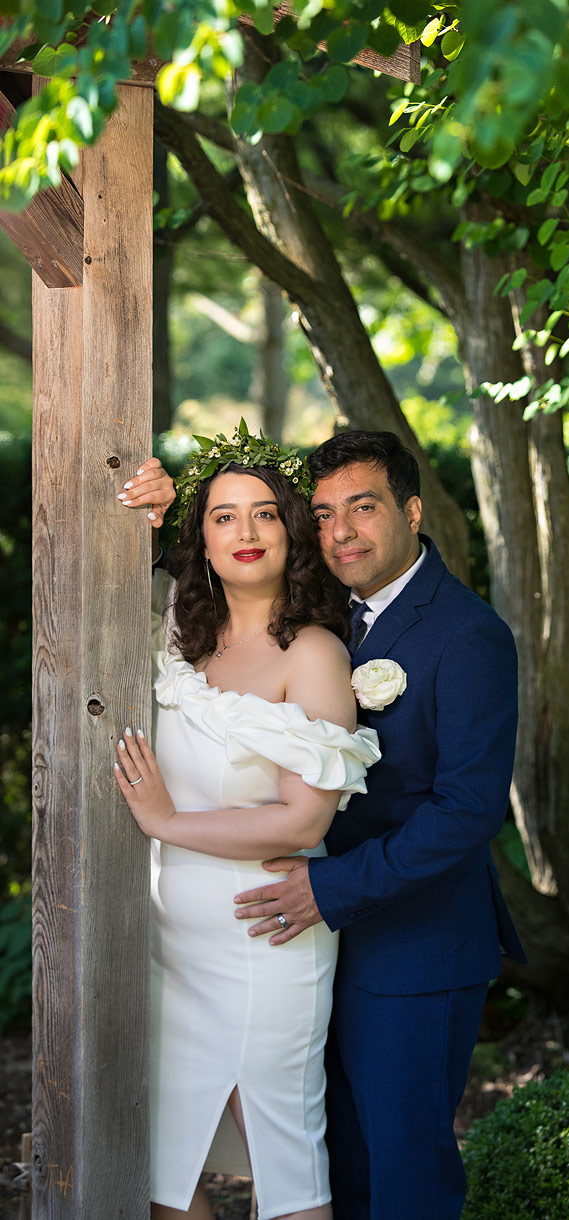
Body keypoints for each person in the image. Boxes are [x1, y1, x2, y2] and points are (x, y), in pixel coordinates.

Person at [230, 431, 525, 1220]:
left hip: (416, 947)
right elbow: (218, 570)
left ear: (412, 510)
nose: (340, 533)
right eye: (322, 515)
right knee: (336, 1164)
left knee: (404, 1173)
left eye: (362, 508)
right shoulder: (323, 612)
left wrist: (329, 887)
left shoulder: (466, 635)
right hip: (322, 941)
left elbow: (467, 810)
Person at [114, 428, 380, 1220]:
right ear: (200, 537)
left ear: (290, 532)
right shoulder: (176, 636)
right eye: (223, 517)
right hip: (173, 948)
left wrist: (163, 821)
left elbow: (303, 819)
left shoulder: (316, 654)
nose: (246, 533)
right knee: (167, 1167)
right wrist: (151, 507)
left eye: (264, 514)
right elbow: (115, 555)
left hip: (268, 943)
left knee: (282, 1163)